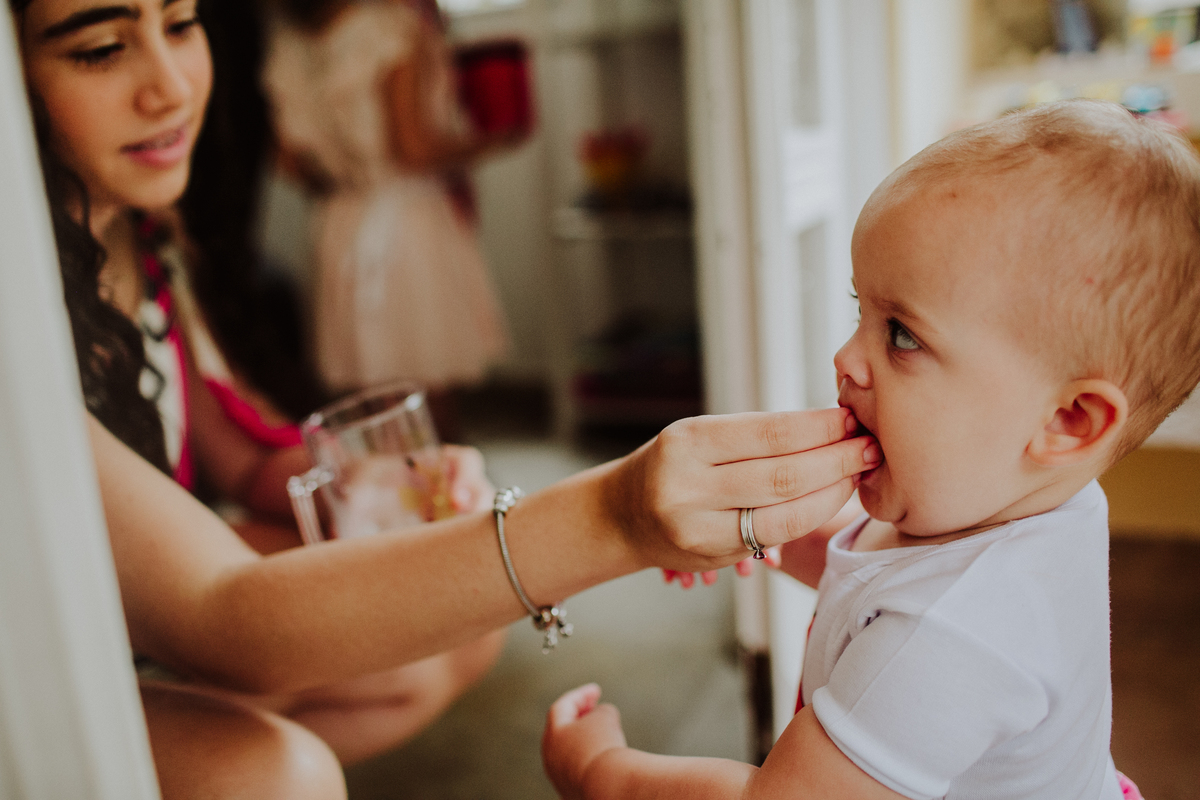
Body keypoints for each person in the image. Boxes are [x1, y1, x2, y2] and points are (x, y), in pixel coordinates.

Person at [11, 0, 882, 796]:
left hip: (130, 595)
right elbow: (223, 612)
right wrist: (616, 516)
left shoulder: (143, 241)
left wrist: (381, 489)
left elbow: (236, 451)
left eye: (184, 23)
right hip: (35, 655)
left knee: (447, 630)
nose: (168, 86)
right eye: (99, 49)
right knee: (282, 773)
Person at [541, 99, 1199, 799]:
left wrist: (603, 775)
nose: (846, 358)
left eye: (903, 335)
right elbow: (881, 576)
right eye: (863, 311)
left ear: (1069, 419)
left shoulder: (952, 638)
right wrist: (758, 538)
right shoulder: (1020, 495)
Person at [260, 0, 513, 404]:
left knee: (373, 400)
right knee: (426, 395)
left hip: (338, 224)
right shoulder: (391, 28)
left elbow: (288, 159)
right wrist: (493, 141)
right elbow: (414, 149)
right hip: (406, 226)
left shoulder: (286, 44)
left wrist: (344, 175)